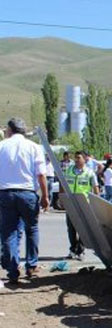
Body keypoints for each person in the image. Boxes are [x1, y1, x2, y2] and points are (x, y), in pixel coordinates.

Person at [0, 118, 49, 284]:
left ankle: (13, 270)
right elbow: (41, 174)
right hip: (28, 192)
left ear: (10, 130)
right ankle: (31, 265)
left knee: (8, 232)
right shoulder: (34, 147)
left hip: (5, 193)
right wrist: (45, 196)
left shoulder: (1, 146)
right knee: (32, 228)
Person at [64, 151, 99, 260]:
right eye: (75, 158)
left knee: (83, 228)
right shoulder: (69, 170)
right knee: (71, 228)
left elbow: (95, 188)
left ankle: (80, 250)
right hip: (71, 203)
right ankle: (72, 249)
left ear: (84, 159)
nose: (76, 160)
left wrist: (95, 202)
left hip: (84, 203)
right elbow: (63, 183)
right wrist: (62, 198)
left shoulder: (89, 173)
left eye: (78, 158)